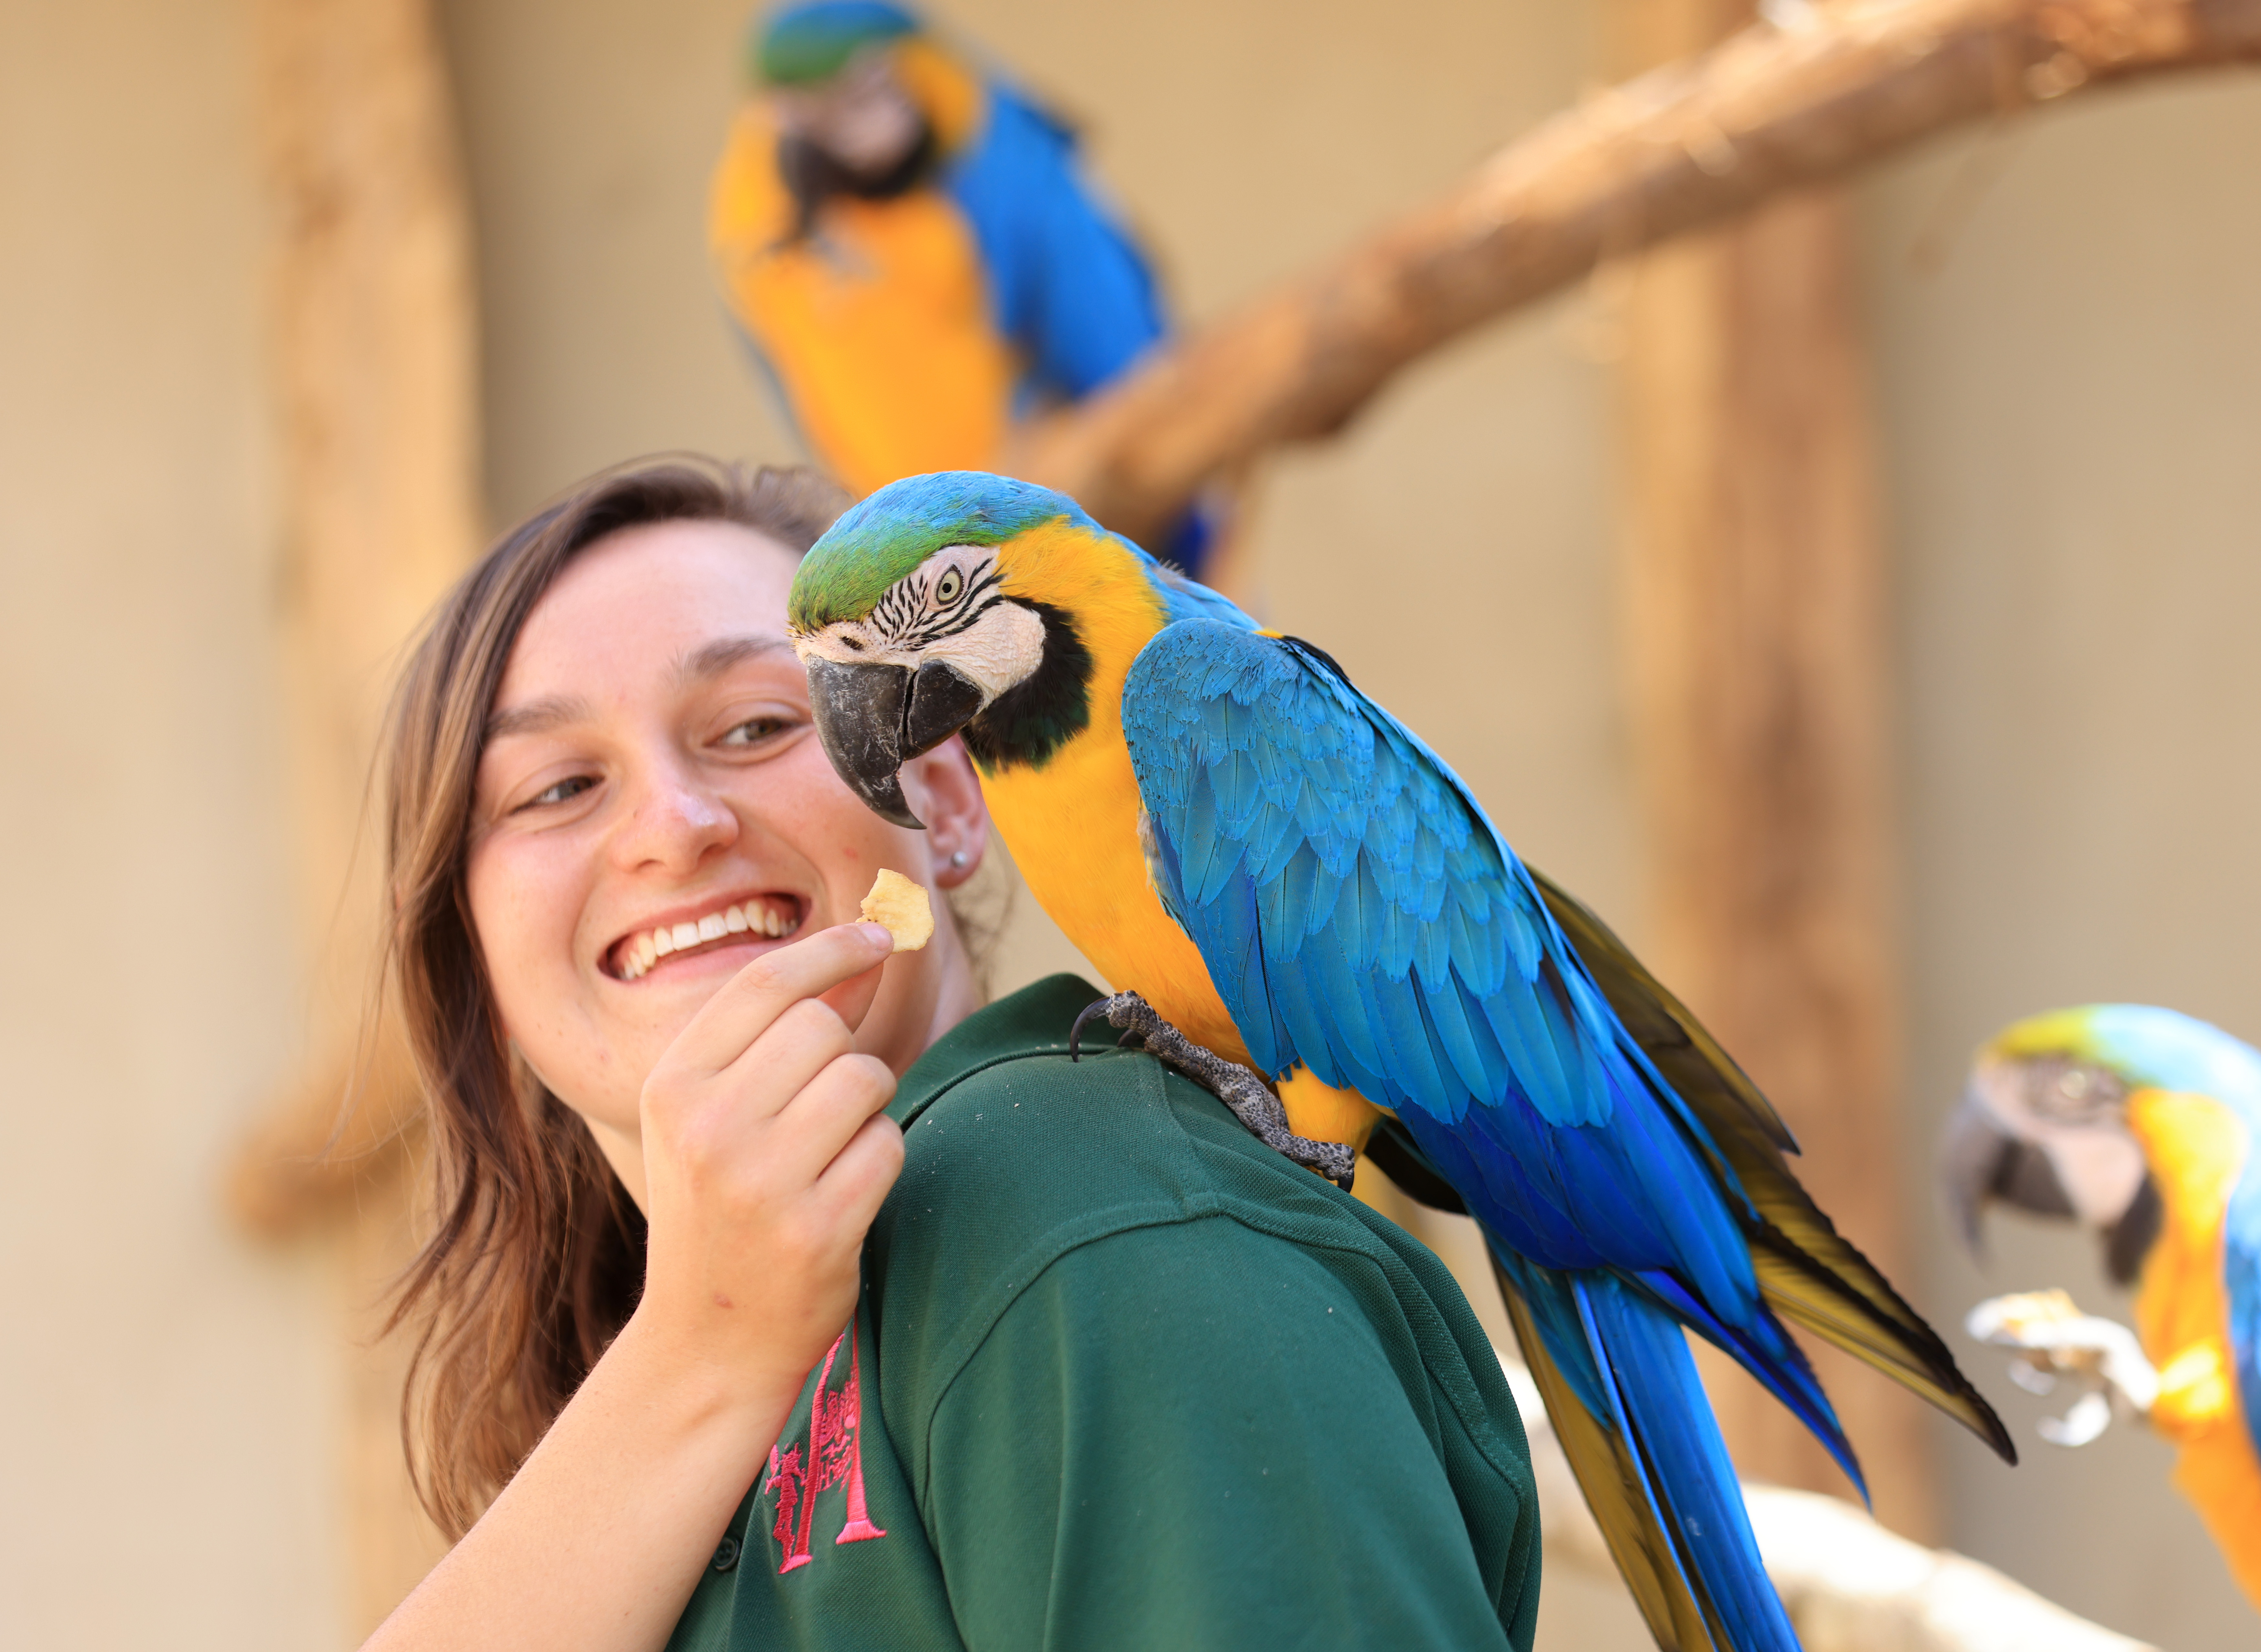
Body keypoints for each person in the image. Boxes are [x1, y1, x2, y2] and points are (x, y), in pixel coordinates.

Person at [360, 457, 1538, 1650]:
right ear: (472, 952)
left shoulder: (1093, 1227)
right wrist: (700, 1348)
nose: (672, 828)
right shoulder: (699, 1413)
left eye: (758, 725)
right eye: (558, 787)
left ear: (948, 795)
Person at [707, 2, 1221, 578]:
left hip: (1067, 496)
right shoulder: (756, 219)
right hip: (914, 536)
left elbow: (1121, 359)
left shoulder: (999, 151)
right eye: (822, 110)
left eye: (875, 85)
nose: (864, 126)